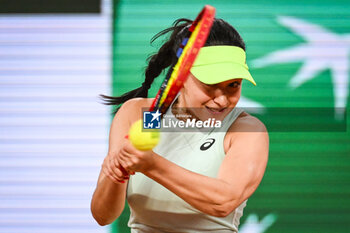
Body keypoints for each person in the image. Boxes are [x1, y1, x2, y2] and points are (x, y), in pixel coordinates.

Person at [91, 17, 269, 233]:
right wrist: (116, 172)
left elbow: (223, 201)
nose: (222, 100)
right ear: (182, 77)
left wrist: (150, 165)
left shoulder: (247, 130)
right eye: (210, 84)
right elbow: (102, 215)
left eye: (233, 85)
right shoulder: (135, 114)